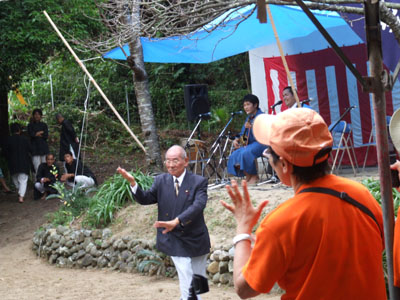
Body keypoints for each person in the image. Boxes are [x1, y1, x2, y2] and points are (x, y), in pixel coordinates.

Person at [221, 108, 386, 299]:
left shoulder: (281, 223)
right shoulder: (362, 195)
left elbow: (245, 289)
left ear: (283, 164)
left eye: (268, 152)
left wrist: (243, 229)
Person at [117, 145, 210, 300]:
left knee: (198, 279)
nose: (171, 164)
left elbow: (198, 206)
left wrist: (178, 220)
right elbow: (146, 198)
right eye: (168, 160)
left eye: (175, 160)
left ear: (186, 161)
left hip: (196, 236)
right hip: (173, 236)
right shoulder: (161, 180)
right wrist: (133, 183)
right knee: (186, 274)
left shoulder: (199, 182)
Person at [227, 94, 267, 184]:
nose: (246, 107)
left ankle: (254, 175)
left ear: (255, 105)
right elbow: (244, 135)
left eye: (248, 104)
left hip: (262, 143)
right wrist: (238, 141)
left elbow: (264, 132)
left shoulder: (262, 116)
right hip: (251, 144)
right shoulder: (248, 118)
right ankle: (247, 175)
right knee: (235, 154)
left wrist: (252, 127)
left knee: (245, 152)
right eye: (244, 105)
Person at [3, 123, 32, 203]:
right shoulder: (25, 139)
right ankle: (21, 196)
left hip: (12, 163)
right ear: (19, 130)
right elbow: (30, 149)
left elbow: (4, 152)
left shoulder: (8, 140)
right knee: (23, 180)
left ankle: (20, 193)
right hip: (24, 162)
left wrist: (8, 159)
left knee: (16, 180)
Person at [27, 108, 49, 174]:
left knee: (45, 165)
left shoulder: (44, 125)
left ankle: (45, 182)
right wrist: (39, 133)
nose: (37, 116)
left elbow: (45, 136)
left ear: (41, 116)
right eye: (35, 114)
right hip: (34, 148)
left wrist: (36, 134)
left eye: (38, 114)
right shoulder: (30, 125)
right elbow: (31, 135)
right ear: (33, 116)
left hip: (43, 148)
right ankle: (38, 182)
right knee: (36, 166)